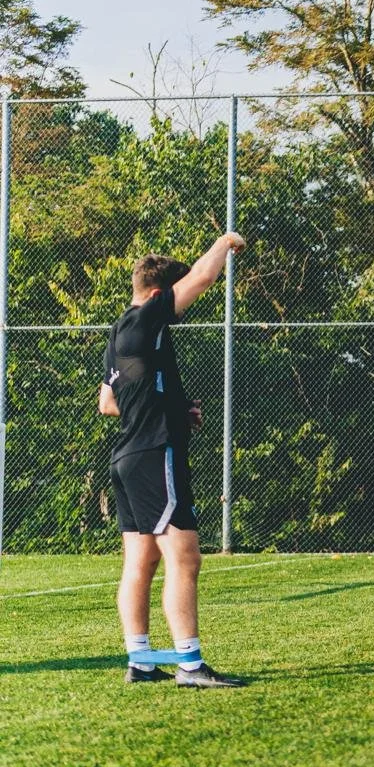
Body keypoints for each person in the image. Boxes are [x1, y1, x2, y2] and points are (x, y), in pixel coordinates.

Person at [99, 233, 247, 688]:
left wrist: (174, 411)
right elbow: (203, 276)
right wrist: (226, 242)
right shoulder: (152, 314)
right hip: (152, 455)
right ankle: (189, 664)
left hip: (126, 456)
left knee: (139, 563)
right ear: (161, 292)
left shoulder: (121, 330)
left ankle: (141, 662)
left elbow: (108, 402)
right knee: (185, 559)